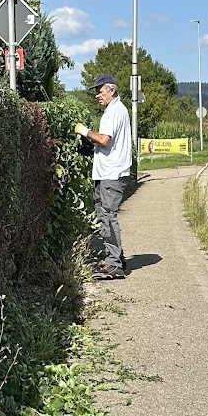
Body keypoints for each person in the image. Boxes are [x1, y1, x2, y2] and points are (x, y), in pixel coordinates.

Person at [75, 74, 132, 280]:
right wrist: (93, 149)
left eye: (100, 91)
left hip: (111, 173)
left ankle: (114, 264)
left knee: (108, 215)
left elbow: (105, 140)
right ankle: (116, 258)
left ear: (112, 91)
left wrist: (84, 131)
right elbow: (109, 144)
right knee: (104, 214)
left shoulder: (114, 111)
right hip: (109, 172)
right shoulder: (117, 110)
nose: (97, 95)